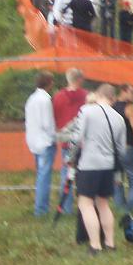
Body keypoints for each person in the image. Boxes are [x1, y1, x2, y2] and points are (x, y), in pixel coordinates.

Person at [71, 83, 127, 253]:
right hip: (108, 166)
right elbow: (121, 150)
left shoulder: (87, 111)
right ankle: (110, 243)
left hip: (89, 165)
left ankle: (95, 245)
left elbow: (76, 138)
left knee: (86, 203)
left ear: (97, 94)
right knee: (103, 203)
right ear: (113, 98)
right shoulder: (119, 118)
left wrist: (69, 159)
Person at [53, 69, 88, 215]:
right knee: (85, 175)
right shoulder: (86, 95)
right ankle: (85, 207)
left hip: (67, 141)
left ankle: (66, 208)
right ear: (79, 79)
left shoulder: (58, 97)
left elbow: (54, 118)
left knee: (66, 175)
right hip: (84, 142)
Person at [24, 71, 57, 217]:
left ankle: (40, 208)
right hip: (44, 141)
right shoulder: (45, 99)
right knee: (44, 176)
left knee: (40, 175)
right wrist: (55, 136)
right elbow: (47, 123)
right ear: (50, 83)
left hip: (33, 140)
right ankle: (41, 210)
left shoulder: (31, 98)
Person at [112, 84, 133, 211]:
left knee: (117, 180)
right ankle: (132, 208)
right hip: (127, 148)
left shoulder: (110, 106)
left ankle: (120, 208)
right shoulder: (130, 108)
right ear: (123, 91)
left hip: (113, 150)